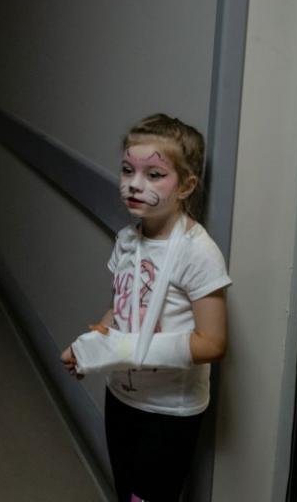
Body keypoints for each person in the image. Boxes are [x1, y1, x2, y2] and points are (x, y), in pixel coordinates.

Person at [60, 114, 230, 502]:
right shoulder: (126, 241)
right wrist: (88, 347)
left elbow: (213, 343)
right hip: (121, 397)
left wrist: (123, 350)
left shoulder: (198, 252)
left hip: (170, 412)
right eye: (127, 170)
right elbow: (119, 310)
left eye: (154, 174)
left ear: (186, 185)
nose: (134, 184)